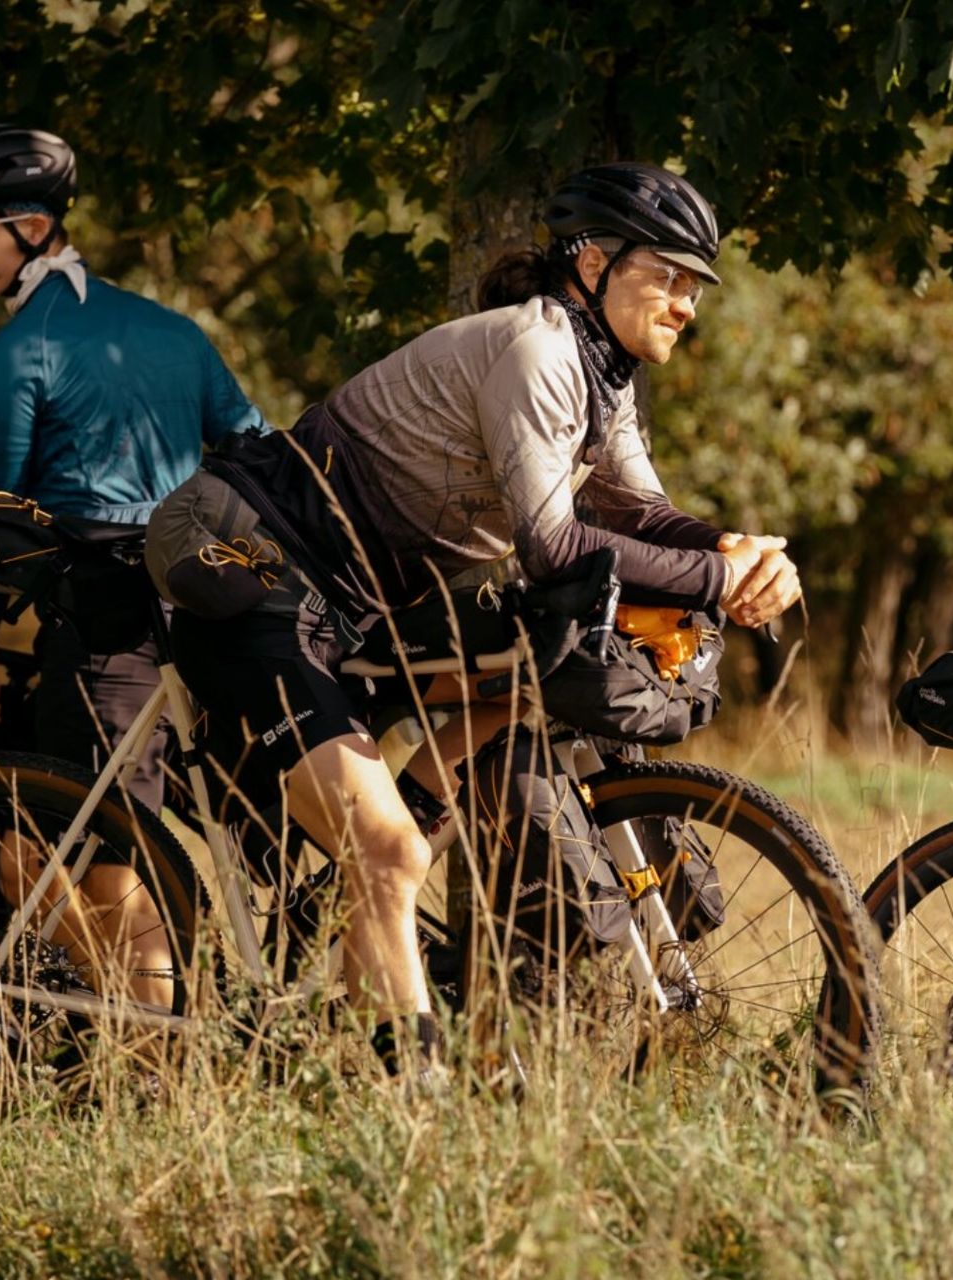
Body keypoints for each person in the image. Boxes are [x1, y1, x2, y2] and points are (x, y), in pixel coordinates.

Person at [145, 161, 801, 1075]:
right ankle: (420, 1111)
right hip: (247, 549)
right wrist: (716, 578)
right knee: (388, 849)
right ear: (592, 264)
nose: (687, 303)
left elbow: (642, 514)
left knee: (527, 694)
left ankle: (345, 900)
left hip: (359, 601)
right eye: (669, 275)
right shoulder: (536, 351)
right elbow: (553, 546)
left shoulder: (602, 379)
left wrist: (742, 550)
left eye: (697, 285)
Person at [0, 123, 265, 1004]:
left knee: (53, 863)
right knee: (124, 854)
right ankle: (156, 1038)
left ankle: (152, 1049)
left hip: (104, 632)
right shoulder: (173, 330)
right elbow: (260, 453)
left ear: (33, 228)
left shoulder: (20, 351)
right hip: (204, 625)